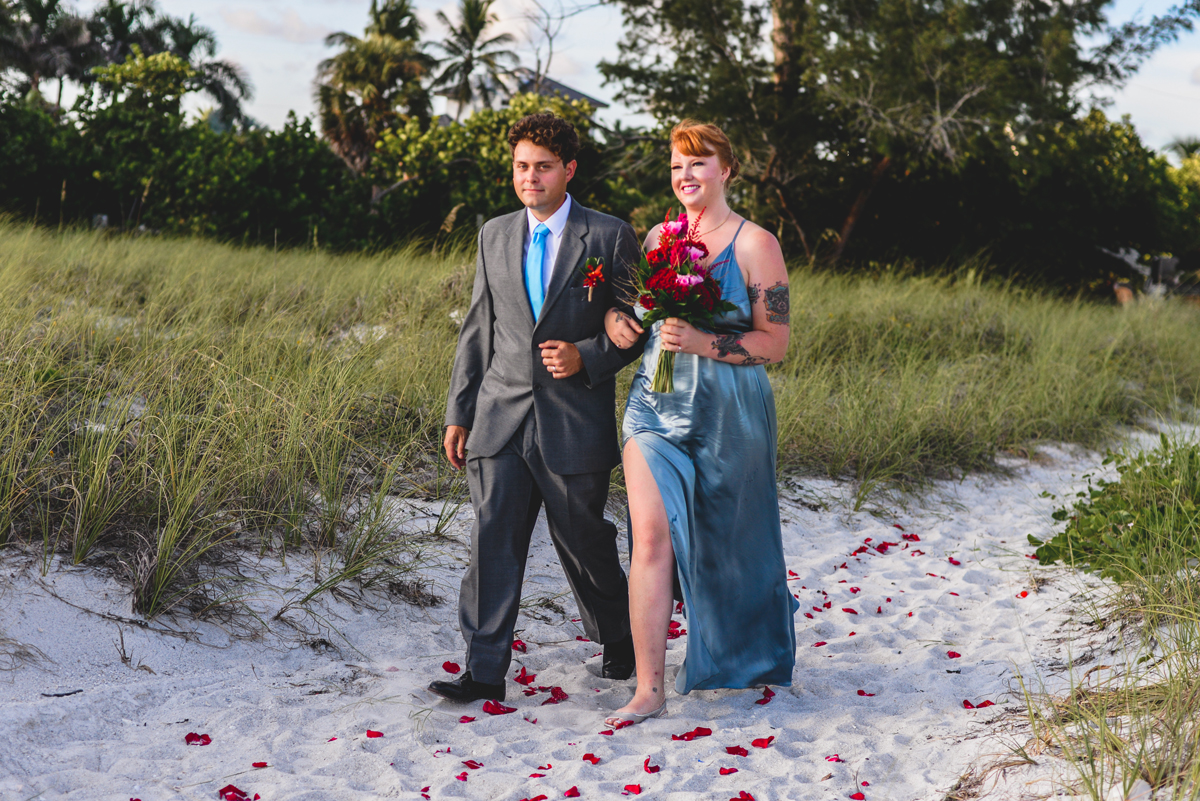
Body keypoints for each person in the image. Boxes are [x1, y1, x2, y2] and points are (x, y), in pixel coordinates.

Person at [429, 112, 646, 704]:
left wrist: (588, 357)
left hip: (573, 418)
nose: (530, 177)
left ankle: (618, 635)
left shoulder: (608, 235)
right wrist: (459, 410)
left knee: (584, 540)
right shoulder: (493, 234)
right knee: (491, 538)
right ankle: (483, 669)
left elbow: (639, 327)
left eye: (543, 167)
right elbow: (478, 329)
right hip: (498, 415)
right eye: (522, 166)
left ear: (568, 169)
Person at [602, 120, 799, 725]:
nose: (685, 176)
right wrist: (620, 322)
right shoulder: (661, 234)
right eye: (676, 166)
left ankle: (747, 649)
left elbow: (778, 343)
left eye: (698, 163)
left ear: (726, 170)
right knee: (652, 537)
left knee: (731, 542)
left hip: (729, 414)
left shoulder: (756, 244)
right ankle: (650, 689)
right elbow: (642, 308)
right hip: (653, 407)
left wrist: (709, 342)